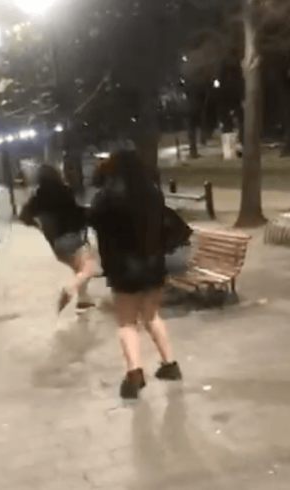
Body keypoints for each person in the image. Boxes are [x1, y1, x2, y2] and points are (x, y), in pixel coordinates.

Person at [89, 151, 182, 400]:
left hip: (123, 268)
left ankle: (134, 373)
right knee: (152, 316)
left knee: (127, 323)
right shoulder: (152, 194)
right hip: (153, 264)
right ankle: (169, 364)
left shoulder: (106, 197)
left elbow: (95, 223)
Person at [19, 165, 97, 313]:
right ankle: (69, 290)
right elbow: (76, 213)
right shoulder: (65, 192)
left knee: (78, 269)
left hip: (55, 244)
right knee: (90, 267)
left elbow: (23, 216)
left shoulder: (37, 197)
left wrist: (38, 226)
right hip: (71, 237)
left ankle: (82, 300)